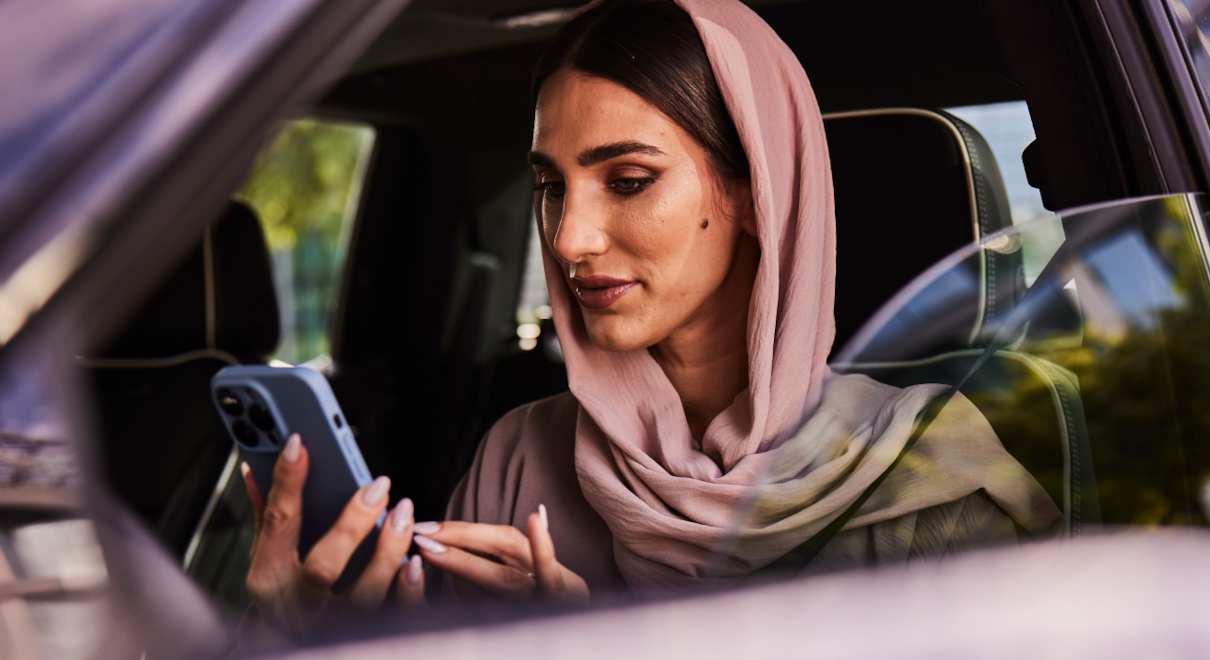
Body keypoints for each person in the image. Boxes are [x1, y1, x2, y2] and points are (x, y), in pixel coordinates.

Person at [243, 0, 1061, 626]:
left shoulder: (929, 483)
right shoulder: (516, 458)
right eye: (551, 185)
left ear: (752, 194)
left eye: (628, 180)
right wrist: (304, 637)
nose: (569, 237)